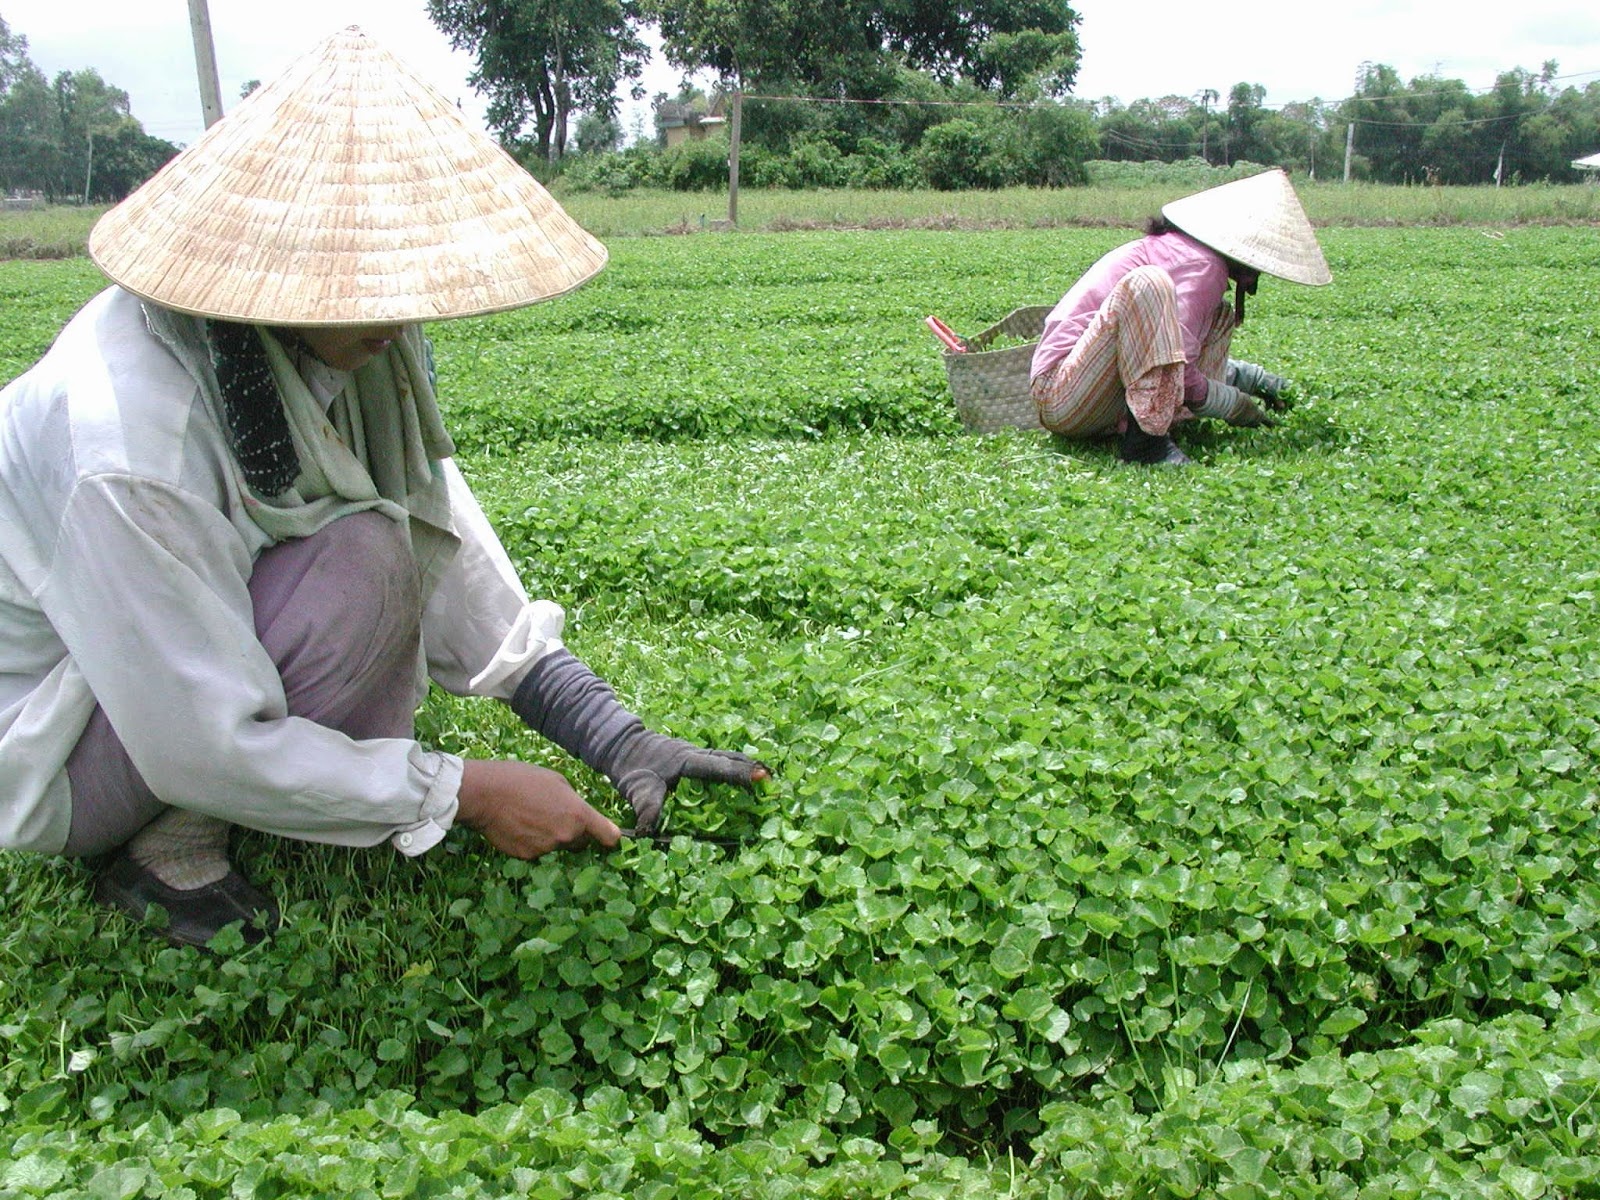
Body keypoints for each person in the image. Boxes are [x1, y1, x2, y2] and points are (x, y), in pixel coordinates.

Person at [0, 27, 767, 949]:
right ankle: (163, 844)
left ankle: (284, 793)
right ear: (284, 272)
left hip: (146, 668)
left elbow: (432, 520)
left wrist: (610, 733)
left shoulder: (323, 335)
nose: (402, 317)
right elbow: (193, 739)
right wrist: (465, 793)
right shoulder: (129, 443)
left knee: (372, 551)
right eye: (377, 287)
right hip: (62, 738)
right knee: (355, 571)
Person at [1029, 168, 1332, 466]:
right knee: (1148, 283)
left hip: (1097, 396)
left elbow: (1168, 354)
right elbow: (1180, 367)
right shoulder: (1204, 264)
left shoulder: (1188, 254)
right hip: (1063, 395)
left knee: (1220, 315)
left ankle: (1151, 420)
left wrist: (1246, 381)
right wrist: (1233, 405)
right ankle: (1146, 445)